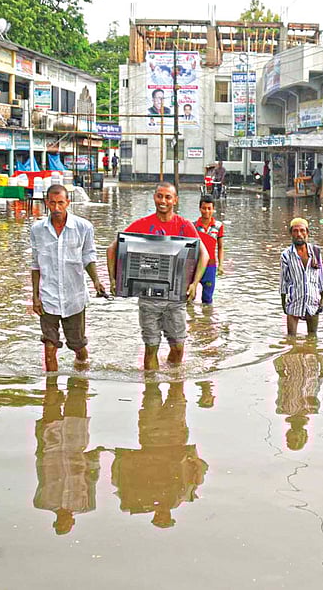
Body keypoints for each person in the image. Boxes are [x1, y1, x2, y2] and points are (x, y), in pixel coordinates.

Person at [107, 182, 209, 370]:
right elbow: (113, 248)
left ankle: (174, 384)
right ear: (154, 197)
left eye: (168, 197)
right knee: (151, 347)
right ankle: (151, 391)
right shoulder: (143, 224)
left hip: (176, 298)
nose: (163, 201)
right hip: (148, 297)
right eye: (159, 196)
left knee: (178, 347)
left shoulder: (184, 225)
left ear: (175, 200)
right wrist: (114, 279)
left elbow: (204, 254)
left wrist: (195, 283)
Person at [111, 380, 208, 528]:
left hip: (153, 437)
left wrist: (121, 459)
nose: (161, 515)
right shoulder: (178, 496)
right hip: (170, 437)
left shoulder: (144, 499)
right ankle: (172, 371)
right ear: (169, 516)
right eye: (163, 518)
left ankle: (169, 371)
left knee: (152, 392)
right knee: (169, 392)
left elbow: (120, 477)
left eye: (159, 519)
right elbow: (197, 472)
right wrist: (192, 456)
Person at [30, 184, 106, 372]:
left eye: (61, 203)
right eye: (53, 203)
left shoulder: (83, 227)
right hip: (48, 298)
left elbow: (88, 256)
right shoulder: (37, 229)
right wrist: (35, 296)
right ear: (46, 202)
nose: (56, 208)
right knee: (49, 347)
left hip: (74, 297)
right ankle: (51, 395)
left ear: (68, 203)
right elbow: (35, 264)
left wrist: (96, 281)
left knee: (78, 346)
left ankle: (81, 381)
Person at [33, 377, 99, 535]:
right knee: (78, 402)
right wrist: (95, 459)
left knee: (51, 407)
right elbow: (91, 480)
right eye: (66, 524)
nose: (63, 521)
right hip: (76, 450)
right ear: (73, 522)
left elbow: (41, 475)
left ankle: (58, 382)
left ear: (56, 522)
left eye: (60, 524)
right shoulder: (86, 505)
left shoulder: (42, 502)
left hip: (50, 450)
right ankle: (79, 380)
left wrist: (40, 443)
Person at [280, 218, 323, 337]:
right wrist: (283, 302)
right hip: (294, 300)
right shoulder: (286, 255)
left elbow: (321, 276)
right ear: (291, 233)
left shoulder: (316, 251)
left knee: (312, 337)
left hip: (313, 301)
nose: (299, 234)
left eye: (302, 230)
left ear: (307, 232)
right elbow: (283, 280)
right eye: (295, 231)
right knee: (291, 339)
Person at [195, 195, 224, 305]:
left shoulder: (218, 226)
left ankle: (206, 321)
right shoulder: (193, 226)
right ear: (200, 208)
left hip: (210, 266)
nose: (206, 211)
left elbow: (220, 247)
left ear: (213, 209)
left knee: (207, 299)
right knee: (189, 295)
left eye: (209, 208)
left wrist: (221, 265)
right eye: (204, 208)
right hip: (195, 265)